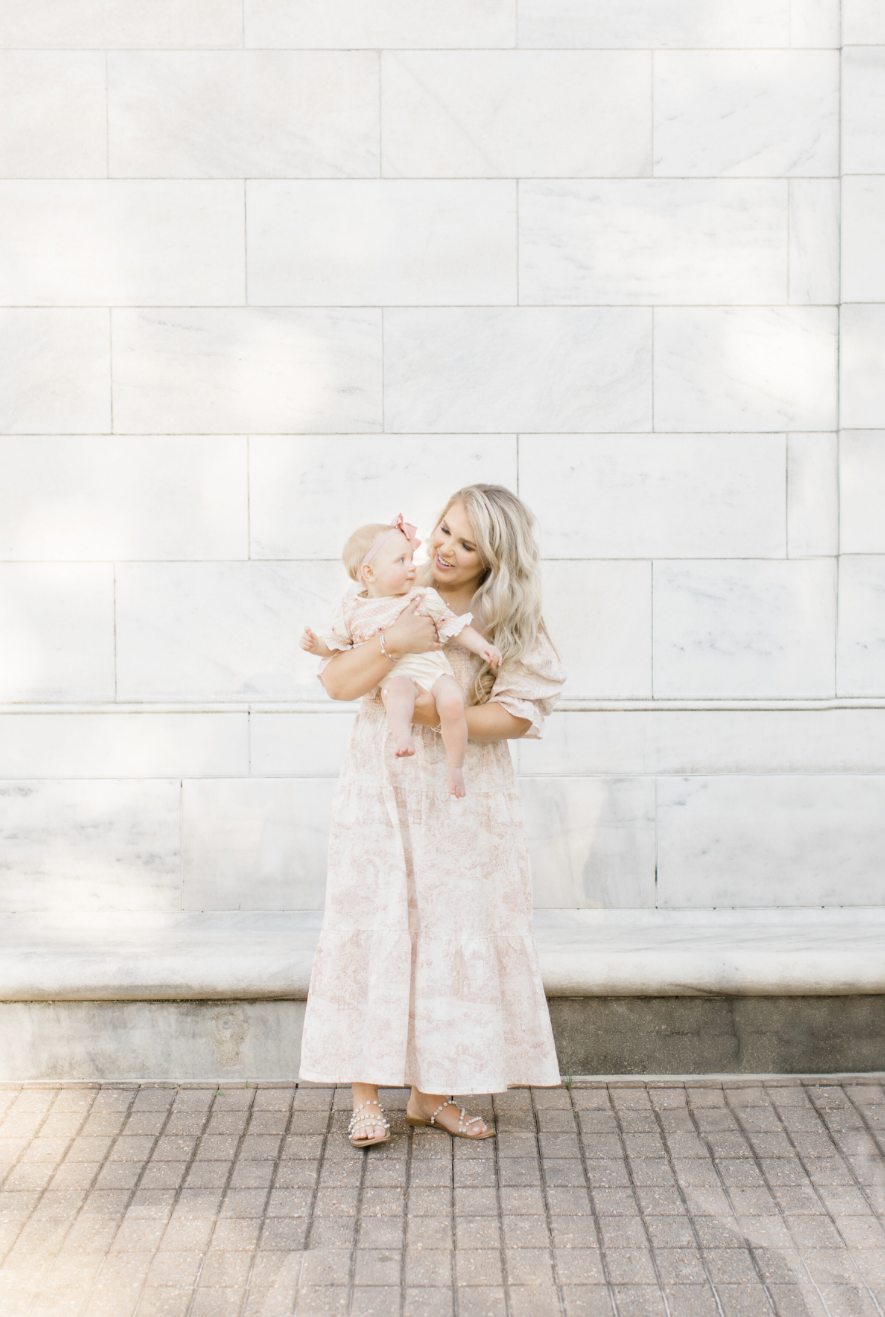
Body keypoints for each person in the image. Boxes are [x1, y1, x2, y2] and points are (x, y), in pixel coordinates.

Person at [298, 485, 564, 1147]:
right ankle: (366, 1096)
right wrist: (396, 639)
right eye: (444, 530)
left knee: (450, 930)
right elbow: (334, 682)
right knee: (374, 923)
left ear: (492, 558)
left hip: (460, 794)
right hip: (380, 786)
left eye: (466, 543)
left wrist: (426, 712)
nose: (445, 548)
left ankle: (430, 1096)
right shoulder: (388, 587)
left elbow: (521, 711)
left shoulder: (502, 616)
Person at [301, 514, 502, 798]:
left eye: (411, 558)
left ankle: (455, 767)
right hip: (398, 675)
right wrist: (316, 645)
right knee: (397, 691)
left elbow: (455, 626)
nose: (412, 568)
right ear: (370, 573)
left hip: (434, 671)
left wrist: (483, 647)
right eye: (401, 561)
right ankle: (403, 737)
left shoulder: (421, 596)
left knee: (453, 699)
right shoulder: (354, 608)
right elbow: (336, 646)